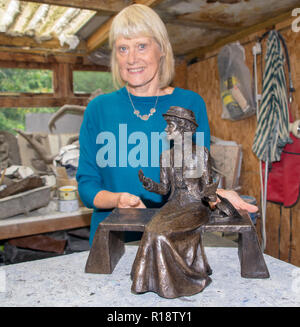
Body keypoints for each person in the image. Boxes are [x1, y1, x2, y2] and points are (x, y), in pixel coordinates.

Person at [76, 4, 258, 247]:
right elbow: (87, 186)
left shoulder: (189, 104)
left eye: (141, 46)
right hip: (112, 242)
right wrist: (118, 199)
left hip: (174, 239)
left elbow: (196, 180)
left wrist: (220, 196)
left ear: (161, 49)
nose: (132, 59)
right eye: (123, 48)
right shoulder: (98, 109)